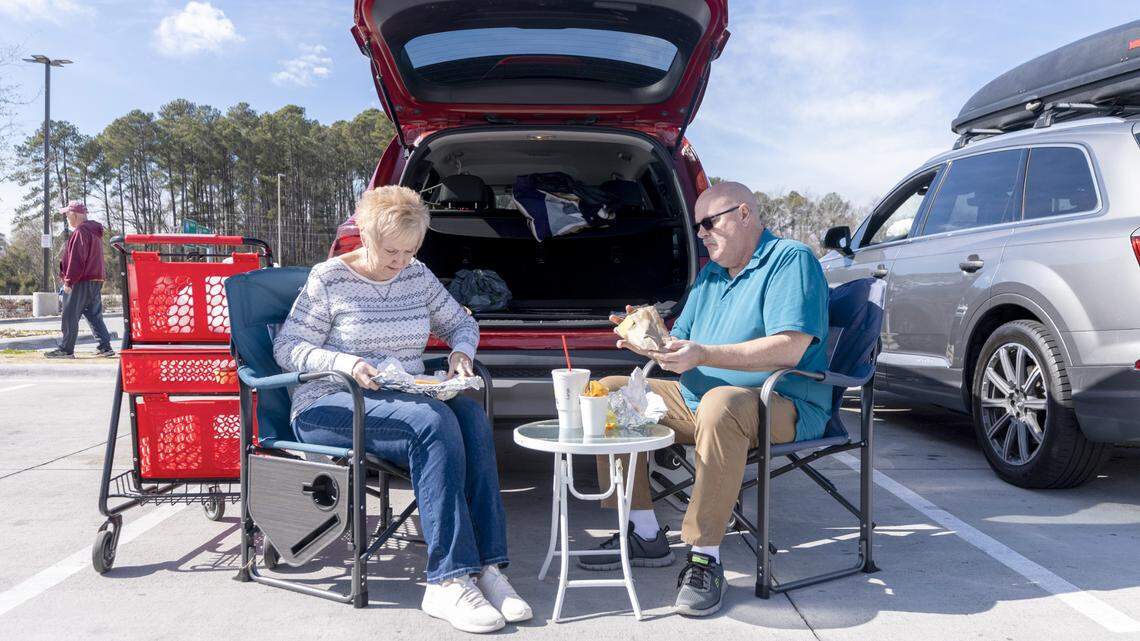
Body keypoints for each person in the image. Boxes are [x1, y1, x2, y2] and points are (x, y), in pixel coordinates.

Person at [273, 185, 530, 634]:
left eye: (410, 250)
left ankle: (487, 567)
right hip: (330, 402)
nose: (400, 261)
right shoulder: (329, 279)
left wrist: (461, 353)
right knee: (430, 422)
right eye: (391, 251)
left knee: (470, 417)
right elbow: (287, 347)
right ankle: (447, 580)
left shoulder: (416, 275)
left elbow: (460, 322)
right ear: (365, 236)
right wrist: (346, 363)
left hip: (401, 396)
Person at [580, 181, 832, 617]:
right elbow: (680, 341)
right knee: (612, 393)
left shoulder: (790, 260)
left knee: (721, 404)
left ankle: (704, 557)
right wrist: (649, 338)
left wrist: (705, 354)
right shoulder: (712, 275)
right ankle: (645, 532)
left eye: (709, 223)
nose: (700, 234)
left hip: (778, 401)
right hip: (698, 396)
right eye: (698, 226)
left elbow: (790, 348)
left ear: (744, 215)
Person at [44, 201, 114, 359]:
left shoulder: (81, 231)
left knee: (70, 314)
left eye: (67, 215)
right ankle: (105, 347)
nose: (67, 218)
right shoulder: (94, 231)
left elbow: (77, 259)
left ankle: (66, 350)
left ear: (75, 215)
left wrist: (69, 282)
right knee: (94, 314)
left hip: (81, 280)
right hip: (95, 279)